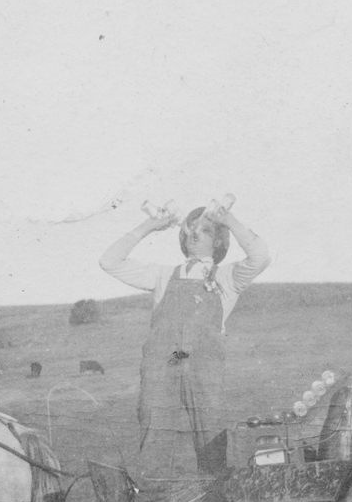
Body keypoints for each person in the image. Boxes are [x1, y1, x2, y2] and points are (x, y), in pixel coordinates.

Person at [100, 202, 271, 487]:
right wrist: (150, 226)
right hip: (168, 361)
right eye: (190, 229)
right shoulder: (163, 275)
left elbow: (261, 256)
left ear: (218, 240)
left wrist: (228, 219)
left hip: (203, 368)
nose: (194, 234)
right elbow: (109, 261)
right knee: (154, 441)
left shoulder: (228, 277)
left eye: (204, 230)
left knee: (212, 441)